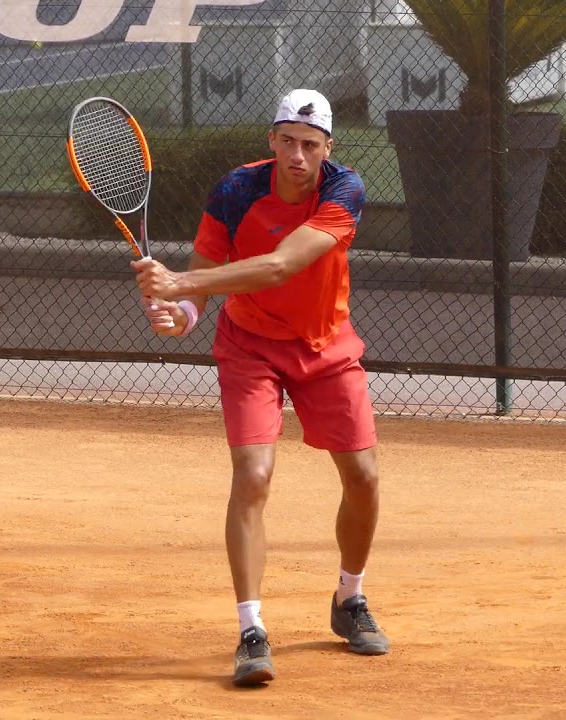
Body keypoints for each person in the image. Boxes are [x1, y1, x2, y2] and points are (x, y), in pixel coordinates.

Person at [131, 89, 389, 687]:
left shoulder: (343, 190)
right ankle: (251, 630)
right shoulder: (235, 190)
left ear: (328, 150)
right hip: (249, 346)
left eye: (310, 145)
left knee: (365, 478)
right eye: (288, 141)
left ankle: (349, 600)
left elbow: (278, 265)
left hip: (326, 345)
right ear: (271, 140)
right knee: (252, 475)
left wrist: (180, 283)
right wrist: (181, 315)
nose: (297, 155)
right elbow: (196, 294)